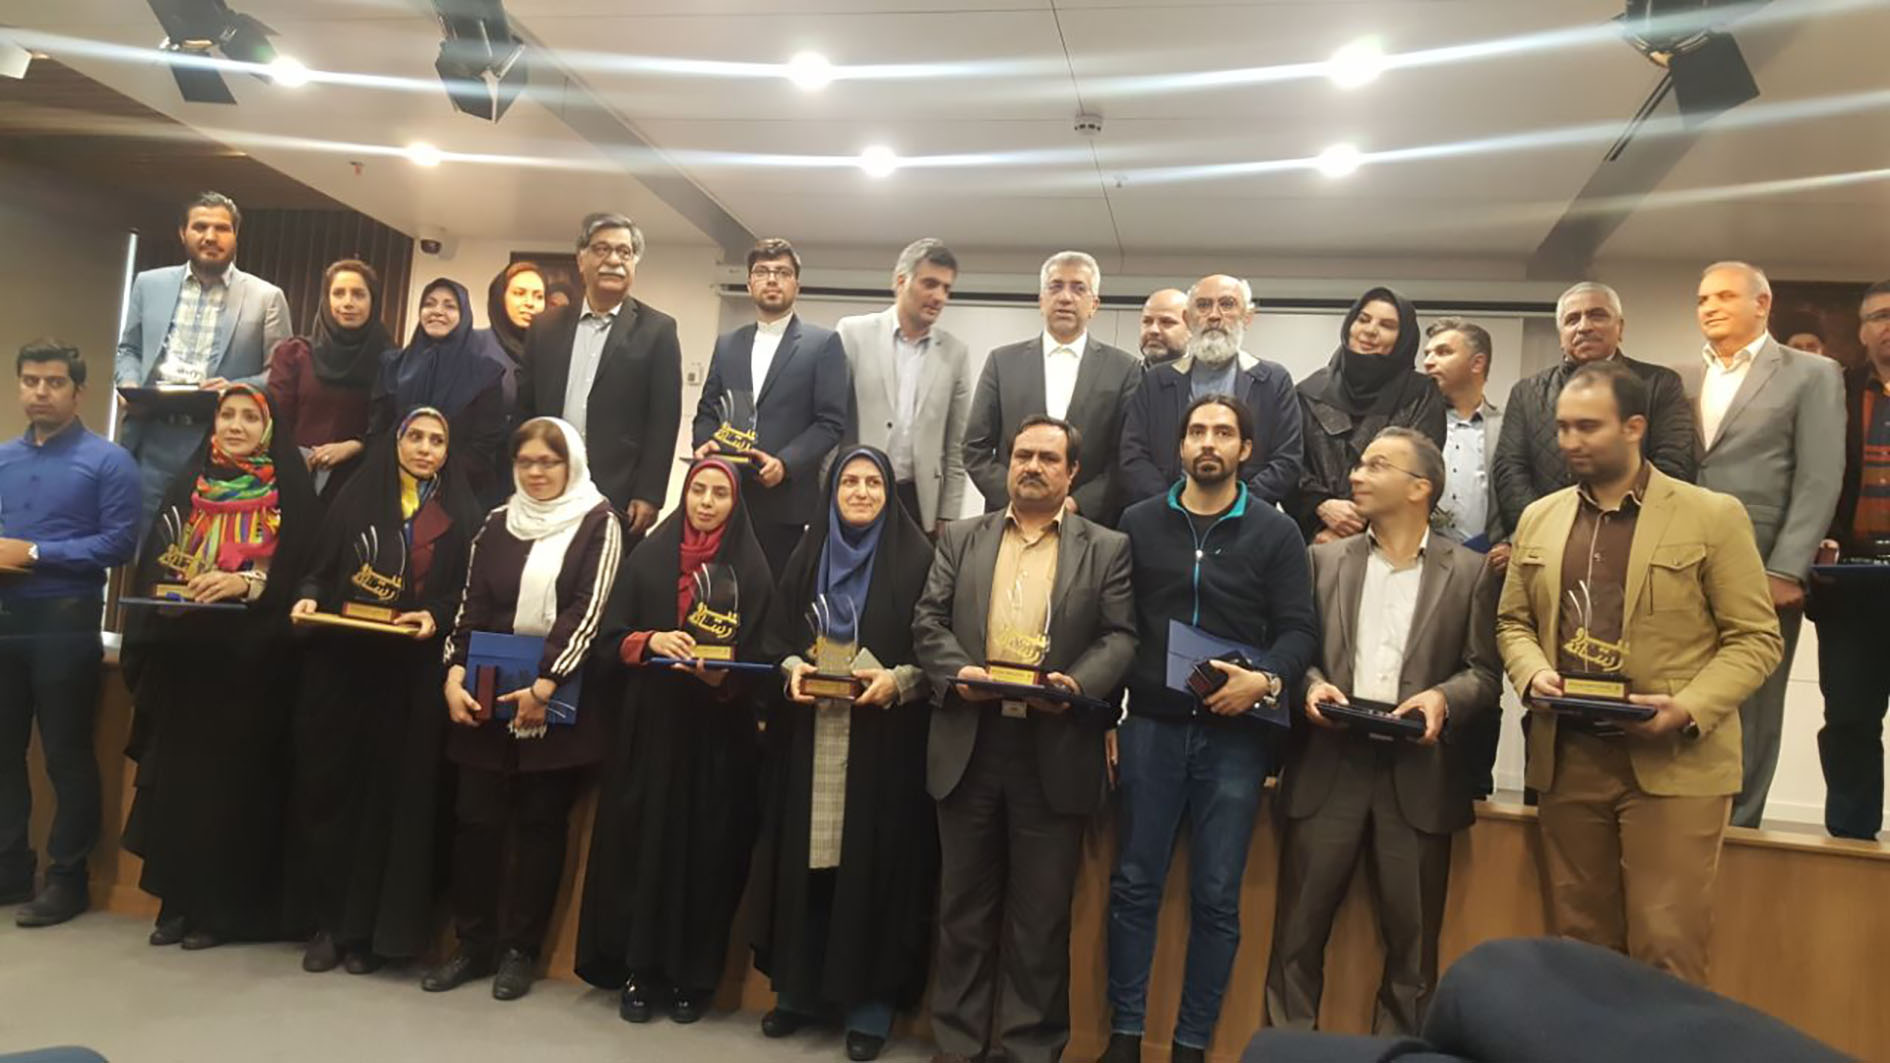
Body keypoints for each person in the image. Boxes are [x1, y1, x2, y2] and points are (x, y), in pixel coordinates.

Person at [1496, 360, 1782, 984]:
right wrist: (1532, 674)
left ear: (1634, 427)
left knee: (1666, 951)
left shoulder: (1712, 515)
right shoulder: (1539, 517)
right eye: (1562, 427)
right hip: (1569, 759)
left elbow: (1756, 640)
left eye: (1587, 427)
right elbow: (1513, 623)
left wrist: (1687, 709)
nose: (1570, 441)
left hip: (1674, 766)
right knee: (1580, 949)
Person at [914, 415, 1137, 1063]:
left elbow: (1121, 635)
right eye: (1022, 455)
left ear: (1073, 472)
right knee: (962, 911)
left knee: (1040, 920)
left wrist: (1078, 683)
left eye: (1048, 457)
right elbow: (928, 619)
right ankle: (958, 1046)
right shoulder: (962, 537)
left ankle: (1028, 1049)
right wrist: (958, 673)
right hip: (970, 741)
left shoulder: (1107, 547)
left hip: (1055, 747)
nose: (1032, 466)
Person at [1265, 427, 1501, 1036]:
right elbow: (1294, 649)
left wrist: (1442, 699)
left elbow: (1483, 673)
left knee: (1413, 954)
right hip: (1328, 763)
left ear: (1420, 487)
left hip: (1417, 774)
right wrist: (1310, 685)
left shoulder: (1471, 572)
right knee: (1295, 940)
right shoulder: (1320, 560)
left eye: (1375, 465)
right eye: (1359, 464)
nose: (1356, 476)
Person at [1103, 396, 1318, 1063]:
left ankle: (1192, 1044)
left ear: (1245, 450)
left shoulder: (1276, 532)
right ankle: (1125, 1036)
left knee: (1218, 896)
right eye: (1197, 431)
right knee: (1134, 883)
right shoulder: (1138, 523)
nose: (1208, 442)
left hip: (1237, 735)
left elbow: (1299, 631)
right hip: (1152, 727)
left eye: (1224, 432)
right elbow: (1116, 628)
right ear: (1180, 446)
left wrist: (1266, 679)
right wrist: (1108, 715)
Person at [748, 446, 936, 1063]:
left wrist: (898, 681)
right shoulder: (809, 555)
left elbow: (936, 648)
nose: (860, 492)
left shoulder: (918, 560)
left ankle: (869, 1007)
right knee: (807, 864)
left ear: (889, 494)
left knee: (872, 871)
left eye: (872, 482)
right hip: (810, 737)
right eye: (848, 482)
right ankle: (799, 992)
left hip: (882, 745)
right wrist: (792, 668)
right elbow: (775, 637)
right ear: (831, 493)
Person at [428, 417, 623, 1001]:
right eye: (526, 462)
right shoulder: (496, 523)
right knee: (476, 822)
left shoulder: (599, 522)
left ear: (571, 465)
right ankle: (473, 944)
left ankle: (520, 950)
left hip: (556, 699)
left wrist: (545, 686)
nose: (537, 473)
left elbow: (589, 611)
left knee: (540, 826)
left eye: (549, 462)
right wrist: (453, 673)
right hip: (485, 695)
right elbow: (471, 607)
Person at [574, 458, 773, 1025]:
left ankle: (694, 978)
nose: (706, 502)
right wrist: (651, 641)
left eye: (719, 494)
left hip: (717, 743)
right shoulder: (648, 558)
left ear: (736, 505)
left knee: (704, 858)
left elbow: (764, 659)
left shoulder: (754, 571)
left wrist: (722, 679)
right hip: (649, 734)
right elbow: (608, 640)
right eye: (697, 490)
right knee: (642, 850)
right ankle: (638, 970)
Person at [120, 384, 319, 949]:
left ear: (268, 429)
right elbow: (157, 558)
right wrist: (172, 589)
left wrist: (245, 583)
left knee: (237, 791)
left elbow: (303, 567)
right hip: (189, 660)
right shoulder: (189, 484)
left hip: (255, 666)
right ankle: (178, 902)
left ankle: (223, 912)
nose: (235, 426)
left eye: (248, 418)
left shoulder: (290, 491)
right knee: (181, 787)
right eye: (226, 415)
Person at [287, 407, 481, 973]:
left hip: (412, 681)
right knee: (337, 796)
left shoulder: (463, 513)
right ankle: (331, 924)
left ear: (448, 451)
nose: (425, 448)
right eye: (415, 437)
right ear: (396, 441)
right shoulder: (354, 497)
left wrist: (434, 614)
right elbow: (319, 568)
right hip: (346, 671)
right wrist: (307, 595)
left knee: (394, 806)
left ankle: (374, 935)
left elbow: (466, 594)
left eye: (437, 440)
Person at [1684, 261, 1846, 829]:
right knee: (1681, 691)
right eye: (1703, 298)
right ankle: (1682, 819)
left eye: (1725, 295)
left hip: (1762, 563)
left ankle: (1739, 830)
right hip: (1682, 561)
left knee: (1752, 701)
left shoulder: (1812, 373)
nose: (1710, 306)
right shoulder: (1681, 376)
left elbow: (1820, 476)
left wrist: (1788, 568)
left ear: (1762, 303)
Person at [0, 340, 140, 928]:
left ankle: (68, 878)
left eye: (54, 382)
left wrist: (36, 552)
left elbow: (120, 543)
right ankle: (10, 869)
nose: (40, 391)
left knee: (66, 754)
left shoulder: (109, 461)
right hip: (5, 619)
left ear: (78, 392)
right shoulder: (4, 458)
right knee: (3, 753)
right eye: (31, 380)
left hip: (65, 620)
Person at [116, 191, 292, 523]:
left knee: (207, 541)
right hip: (153, 437)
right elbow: (130, 349)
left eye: (221, 228)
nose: (210, 236)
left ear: (235, 235)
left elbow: (280, 374)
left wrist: (235, 388)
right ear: (183, 233)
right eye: (200, 227)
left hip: (222, 444)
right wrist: (129, 383)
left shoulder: (267, 297)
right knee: (145, 542)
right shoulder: (148, 284)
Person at [518, 213, 683, 537]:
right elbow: (526, 407)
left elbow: (663, 420)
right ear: (581, 260)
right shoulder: (544, 327)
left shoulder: (658, 330)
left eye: (624, 252)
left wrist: (650, 494)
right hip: (546, 483)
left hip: (618, 490)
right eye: (602, 249)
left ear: (634, 264)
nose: (614, 260)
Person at [692, 238, 849, 575]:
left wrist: (786, 463)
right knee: (717, 590)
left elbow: (830, 422)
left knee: (775, 595)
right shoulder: (728, 344)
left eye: (783, 272)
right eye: (762, 272)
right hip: (724, 495)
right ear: (750, 284)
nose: (772, 279)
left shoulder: (823, 344)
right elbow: (706, 411)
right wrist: (704, 444)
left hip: (784, 502)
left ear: (797, 285)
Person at [1491, 281, 1697, 537]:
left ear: (1620, 328)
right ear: (1561, 336)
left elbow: (1674, 462)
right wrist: (1544, 529)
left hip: (1638, 535)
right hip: (1546, 538)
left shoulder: (1660, 384)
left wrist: (1624, 526)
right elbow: (1510, 470)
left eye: (1597, 315)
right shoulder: (1526, 392)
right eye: (1572, 320)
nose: (1584, 327)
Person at [963, 251, 1141, 524]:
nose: (1065, 297)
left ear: (1094, 305)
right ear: (1041, 300)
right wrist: (1019, 497)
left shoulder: (1124, 369)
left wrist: (1076, 504)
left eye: (1078, 288)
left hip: (1088, 524)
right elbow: (975, 448)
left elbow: (1124, 457)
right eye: (1055, 287)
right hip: (1010, 518)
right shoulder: (1002, 362)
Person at [1810, 280, 1890, 839]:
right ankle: (1851, 841)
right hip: (1852, 582)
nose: (1889, 326)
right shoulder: (1834, 391)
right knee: (1849, 720)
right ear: (1862, 332)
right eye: (1879, 316)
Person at [1118, 275, 1302, 508]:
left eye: (1227, 304)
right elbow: (1133, 455)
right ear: (1188, 318)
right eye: (1203, 305)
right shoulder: (1156, 381)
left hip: (1249, 518)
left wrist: (1240, 507)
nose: (1214, 315)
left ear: (1247, 317)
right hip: (1165, 515)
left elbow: (1287, 459)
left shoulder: (1273, 381)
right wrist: (1172, 506)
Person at [1419, 318, 1506, 800]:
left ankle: (1475, 787)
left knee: (1479, 675)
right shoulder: (1416, 422)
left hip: (1486, 568)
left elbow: (1518, 489)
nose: (1428, 360)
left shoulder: (1506, 424)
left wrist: (1508, 541)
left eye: (1442, 351)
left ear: (1477, 363)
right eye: (1427, 352)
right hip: (1421, 564)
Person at [835, 238, 972, 534]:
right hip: (856, 491)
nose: (939, 297)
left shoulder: (955, 353)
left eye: (946, 288)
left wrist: (948, 515)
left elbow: (956, 445)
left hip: (918, 502)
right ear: (901, 281)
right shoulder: (853, 334)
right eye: (930, 284)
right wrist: (826, 494)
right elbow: (831, 424)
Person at [1292, 287, 1446, 543]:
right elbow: (1291, 464)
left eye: (1387, 325)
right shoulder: (1308, 391)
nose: (1370, 330)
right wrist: (1321, 506)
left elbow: (1417, 468)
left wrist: (1356, 525)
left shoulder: (1422, 394)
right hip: (1315, 537)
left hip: (1392, 539)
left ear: (1403, 338)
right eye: (1363, 319)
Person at [369, 278, 509, 505]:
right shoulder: (392, 365)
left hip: (459, 492)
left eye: (449, 306)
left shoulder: (485, 373)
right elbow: (378, 430)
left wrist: (437, 476)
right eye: (429, 304)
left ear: (464, 315)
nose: (437, 311)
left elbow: (486, 443)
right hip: (392, 487)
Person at [265, 259, 394, 498]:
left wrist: (356, 445)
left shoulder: (390, 361)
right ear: (327, 300)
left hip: (360, 483)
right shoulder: (293, 354)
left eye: (358, 294)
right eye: (338, 293)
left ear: (373, 301)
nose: (348, 303)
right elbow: (275, 422)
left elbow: (390, 424)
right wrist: (295, 461)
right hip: (297, 477)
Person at [486, 261, 546, 414]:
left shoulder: (552, 352)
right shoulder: (474, 345)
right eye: (519, 293)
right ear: (500, 297)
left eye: (539, 296)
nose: (529, 303)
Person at [1137, 288, 1189, 366]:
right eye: (1147, 321)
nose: (1153, 330)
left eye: (1166, 322)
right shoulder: (1126, 372)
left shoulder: (1204, 373)